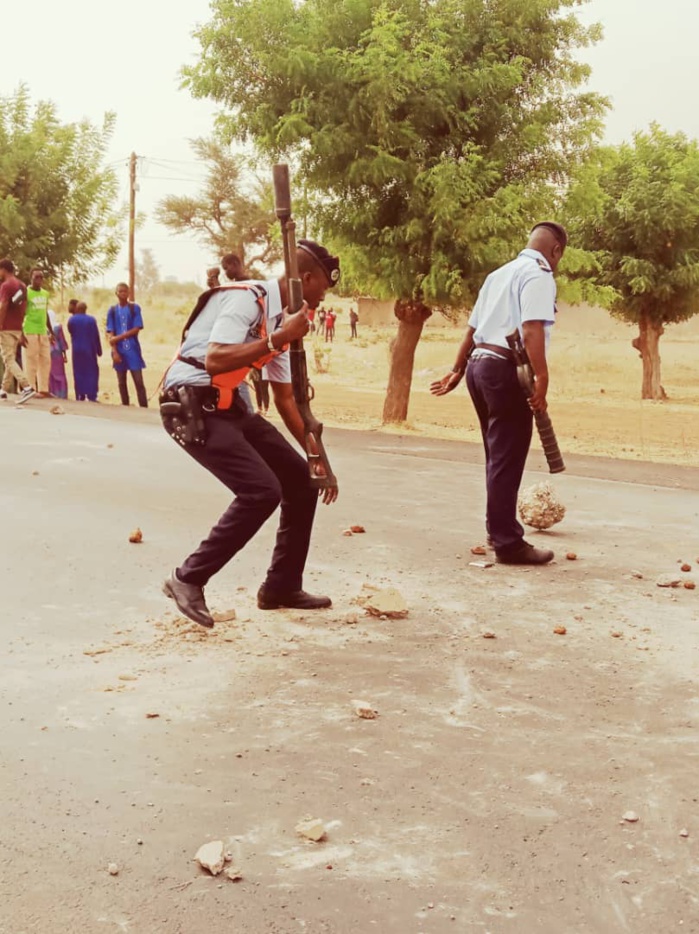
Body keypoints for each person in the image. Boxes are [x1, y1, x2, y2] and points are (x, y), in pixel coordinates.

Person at [160, 238, 340, 628]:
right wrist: (279, 338)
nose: (324, 298)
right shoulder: (248, 299)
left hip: (231, 406)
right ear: (306, 279)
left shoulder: (283, 321)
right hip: (191, 404)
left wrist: (318, 460)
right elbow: (215, 358)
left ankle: (281, 587)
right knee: (261, 491)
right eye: (323, 289)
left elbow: (286, 400)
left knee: (301, 482)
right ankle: (187, 578)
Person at [430, 222, 567, 566]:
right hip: (505, 370)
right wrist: (542, 376)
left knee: (497, 455)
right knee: (507, 456)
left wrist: (457, 369)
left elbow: (472, 330)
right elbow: (531, 329)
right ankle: (508, 542)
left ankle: (497, 531)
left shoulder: (499, 274)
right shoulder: (538, 275)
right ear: (556, 251)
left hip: (478, 367)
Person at [106, 283, 148, 407]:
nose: (123, 293)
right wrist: (114, 351)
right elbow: (110, 331)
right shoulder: (112, 310)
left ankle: (144, 407)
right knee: (121, 382)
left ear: (129, 293)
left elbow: (137, 328)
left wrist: (117, 338)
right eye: (120, 291)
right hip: (118, 350)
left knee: (138, 381)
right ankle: (125, 407)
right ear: (116, 293)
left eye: (125, 291)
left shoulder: (134, 308)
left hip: (133, 350)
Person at [0, 259, 34, 404]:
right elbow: (23, 307)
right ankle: (3, 390)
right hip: (17, 327)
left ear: (3, 269)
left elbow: (3, 306)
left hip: (6, 327)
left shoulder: (6, 286)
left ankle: (27, 387)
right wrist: (21, 327)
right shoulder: (21, 285)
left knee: (8, 359)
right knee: (11, 358)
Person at [23, 268, 53, 397]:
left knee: (45, 360)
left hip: (42, 331)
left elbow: (45, 312)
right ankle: (30, 388)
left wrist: (51, 330)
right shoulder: (26, 292)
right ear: (31, 278)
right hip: (30, 330)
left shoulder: (45, 293)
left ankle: (43, 389)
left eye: (41, 277)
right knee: (31, 361)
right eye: (36, 277)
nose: (39, 280)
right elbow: (20, 312)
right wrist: (21, 332)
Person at [68, 301, 102, 401]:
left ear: (77, 309)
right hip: (89, 350)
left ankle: (80, 394)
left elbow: (71, 332)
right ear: (85, 309)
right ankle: (92, 395)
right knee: (91, 371)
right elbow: (96, 335)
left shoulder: (72, 320)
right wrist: (99, 350)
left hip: (77, 350)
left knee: (78, 371)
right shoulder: (91, 320)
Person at [48, 308, 69, 399]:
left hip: (47, 352)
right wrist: (65, 355)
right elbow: (62, 342)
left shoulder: (44, 328)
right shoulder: (58, 327)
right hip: (58, 353)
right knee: (60, 374)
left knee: (50, 374)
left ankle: (52, 392)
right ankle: (62, 394)